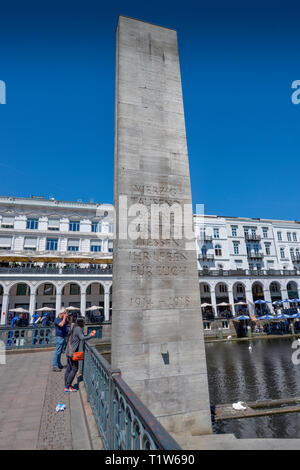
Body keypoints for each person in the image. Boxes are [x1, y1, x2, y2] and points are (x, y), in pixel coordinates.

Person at [64, 317, 95, 392]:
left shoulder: (74, 327)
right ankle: (67, 387)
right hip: (72, 353)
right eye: (84, 322)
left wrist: (87, 334)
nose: (85, 324)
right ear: (82, 323)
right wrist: (91, 335)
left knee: (69, 368)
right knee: (74, 369)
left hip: (68, 351)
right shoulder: (78, 329)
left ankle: (67, 385)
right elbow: (82, 338)